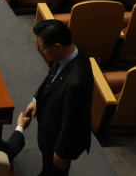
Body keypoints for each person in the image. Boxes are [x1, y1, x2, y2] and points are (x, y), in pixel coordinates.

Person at [23, 20, 94, 175]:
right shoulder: (70, 51)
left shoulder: (76, 84)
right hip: (51, 127)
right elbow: (52, 76)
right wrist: (36, 98)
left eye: (43, 47)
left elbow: (71, 121)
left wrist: (61, 152)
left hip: (58, 141)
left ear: (57, 47)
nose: (41, 50)